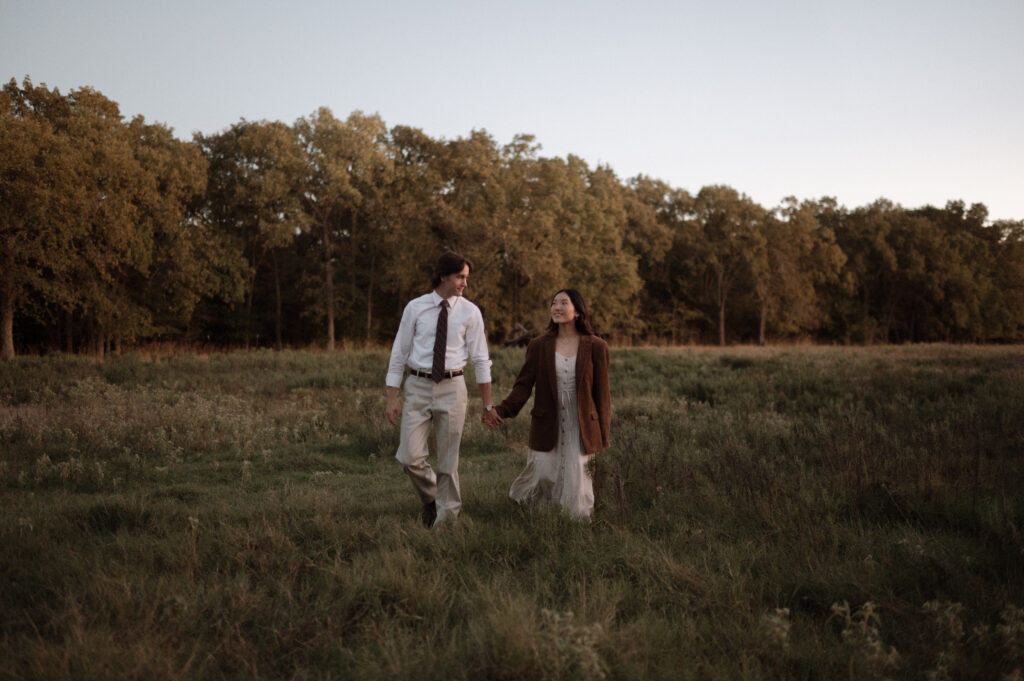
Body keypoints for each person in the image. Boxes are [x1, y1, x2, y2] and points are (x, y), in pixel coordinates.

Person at [385, 252, 494, 528]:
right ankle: (433, 498)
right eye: (460, 277)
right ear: (444, 275)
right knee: (409, 457)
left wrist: (487, 403)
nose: (464, 284)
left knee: (448, 461)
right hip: (418, 385)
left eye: (466, 278)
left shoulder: (470, 312)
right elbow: (399, 353)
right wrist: (392, 397)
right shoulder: (415, 308)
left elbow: (481, 358)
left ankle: (446, 523)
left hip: (453, 388)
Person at [483, 289, 611, 518]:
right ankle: (543, 519)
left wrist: (603, 435)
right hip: (546, 422)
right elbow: (523, 386)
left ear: (578, 312)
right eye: (554, 303)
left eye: (563, 303)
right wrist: (500, 410)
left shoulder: (596, 346)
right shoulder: (538, 345)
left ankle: (576, 524)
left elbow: (602, 396)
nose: (557, 307)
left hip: (581, 426)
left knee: (577, 476)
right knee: (543, 472)